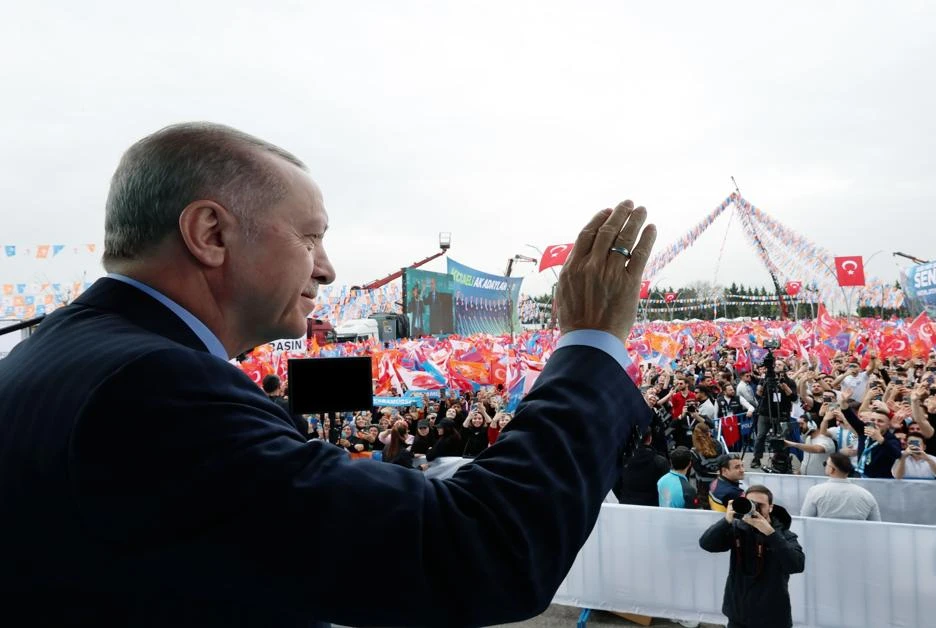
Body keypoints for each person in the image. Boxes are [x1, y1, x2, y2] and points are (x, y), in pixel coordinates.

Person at [0, 123, 658, 627]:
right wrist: (592, 340)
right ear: (210, 233)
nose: (327, 270)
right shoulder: (156, 391)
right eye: (310, 237)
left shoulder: (58, 357)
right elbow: (483, 547)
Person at [699, 485, 806, 628]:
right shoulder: (738, 529)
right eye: (751, 504)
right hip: (738, 614)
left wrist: (770, 534)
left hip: (772, 618)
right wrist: (726, 521)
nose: (755, 509)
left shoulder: (784, 535)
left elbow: (796, 565)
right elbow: (706, 544)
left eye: (760, 505)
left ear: (771, 507)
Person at [799, 452, 882, 521]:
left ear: (832, 469)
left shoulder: (815, 491)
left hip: (823, 538)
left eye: (825, 464)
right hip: (858, 539)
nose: (825, 466)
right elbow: (877, 524)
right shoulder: (866, 495)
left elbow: (804, 519)